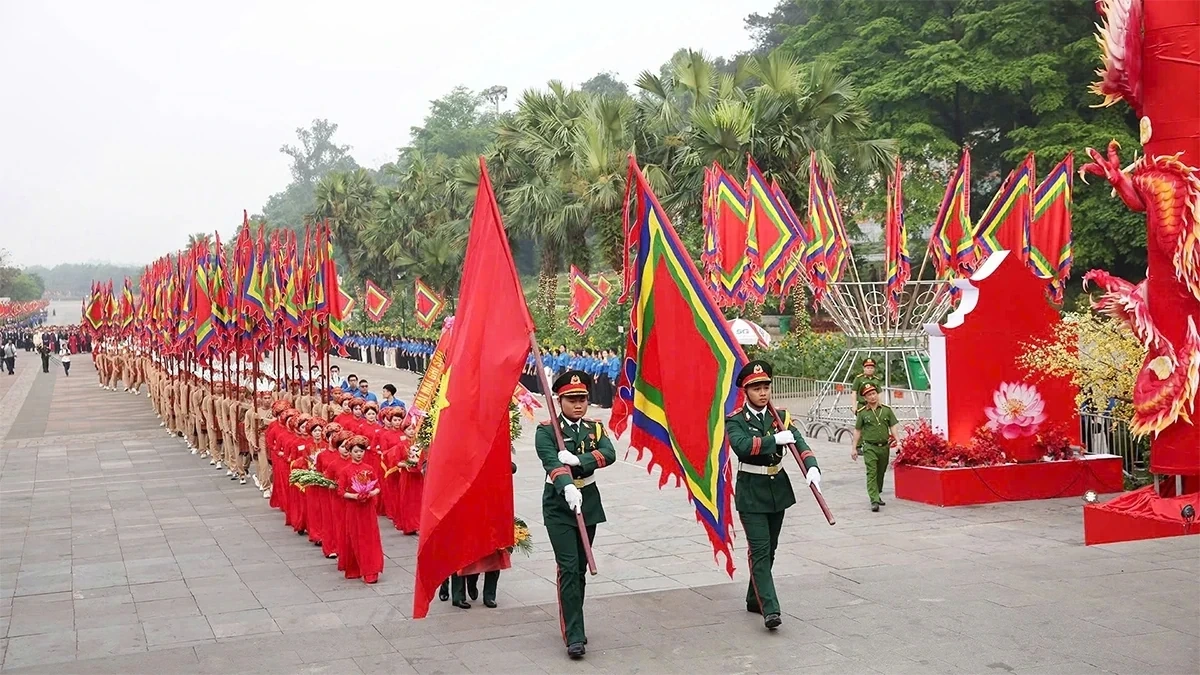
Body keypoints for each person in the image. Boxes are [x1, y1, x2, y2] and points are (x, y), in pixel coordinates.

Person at [725, 360, 821, 631]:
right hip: (751, 491)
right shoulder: (735, 420)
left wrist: (812, 467)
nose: (763, 392)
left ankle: (754, 598)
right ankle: (771, 609)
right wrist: (772, 441)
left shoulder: (781, 417)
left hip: (777, 489)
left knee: (770, 550)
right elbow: (742, 447)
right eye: (756, 388)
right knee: (760, 549)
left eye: (766, 387)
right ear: (746, 391)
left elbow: (800, 443)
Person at [535, 370, 616, 659]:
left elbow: (609, 454)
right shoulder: (547, 430)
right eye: (572, 399)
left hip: (589, 503)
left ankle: (574, 618)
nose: (579, 404)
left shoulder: (594, 429)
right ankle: (574, 635)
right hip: (560, 504)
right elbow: (550, 462)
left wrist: (578, 461)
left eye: (582, 398)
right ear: (560, 400)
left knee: (580, 568)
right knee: (568, 567)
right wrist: (567, 485)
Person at [338, 435, 384, 583]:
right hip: (353, 508)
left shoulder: (369, 469)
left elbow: (377, 487)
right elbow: (340, 492)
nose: (359, 454)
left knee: (369, 538)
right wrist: (355, 496)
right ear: (350, 452)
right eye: (356, 451)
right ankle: (355, 568)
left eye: (361, 451)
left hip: (368, 508)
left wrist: (369, 493)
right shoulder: (346, 471)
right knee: (354, 536)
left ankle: (371, 570)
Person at [851, 383, 900, 512]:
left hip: (884, 447)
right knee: (871, 472)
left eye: (873, 394)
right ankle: (874, 499)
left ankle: (877, 493)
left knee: (881, 471)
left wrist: (898, 441)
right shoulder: (862, 413)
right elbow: (857, 430)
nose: (872, 397)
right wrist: (854, 447)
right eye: (869, 395)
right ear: (865, 398)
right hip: (870, 447)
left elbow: (893, 426)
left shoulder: (886, 410)